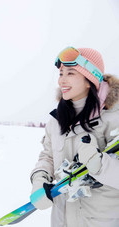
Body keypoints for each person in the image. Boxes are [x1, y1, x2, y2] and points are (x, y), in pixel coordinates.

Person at [29, 47, 119, 227]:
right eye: (61, 73)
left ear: (89, 80)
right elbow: (47, 156)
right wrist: (39, 178)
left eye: (70, 73)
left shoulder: (113, 117)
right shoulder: (57, 120)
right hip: (62, 220)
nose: (62, 79)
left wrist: (99, 164)